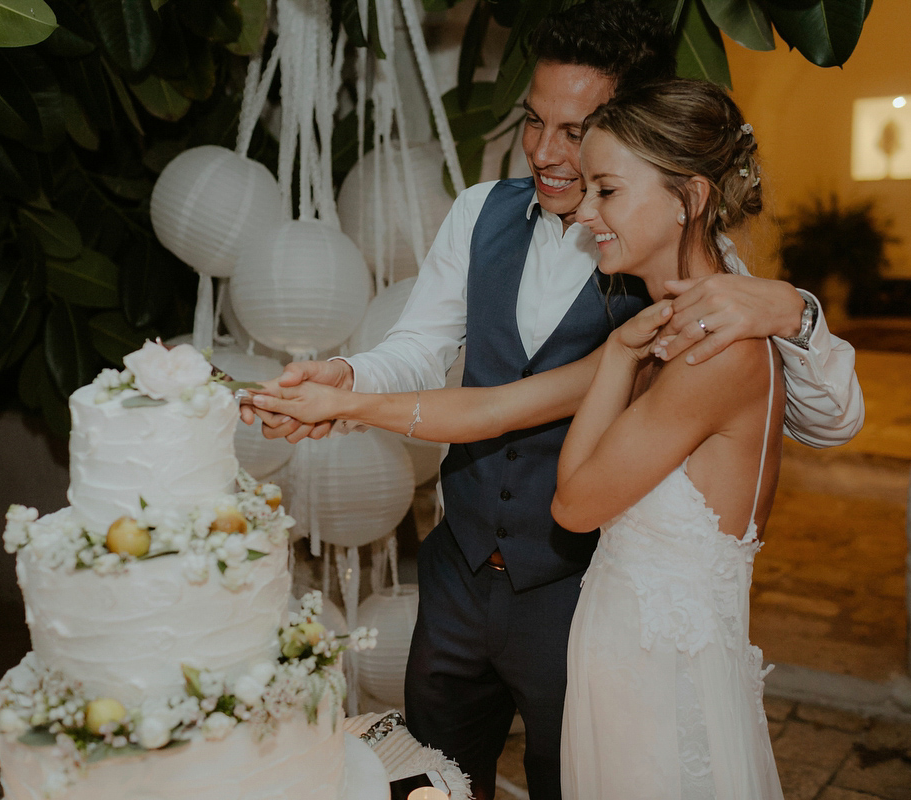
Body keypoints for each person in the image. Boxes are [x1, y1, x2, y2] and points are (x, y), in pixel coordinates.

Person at [245, 4, 862, 797]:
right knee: (427, 777)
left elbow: (819, 419)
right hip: (460, 571)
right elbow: (433, 358)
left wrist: (796, 311)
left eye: (575, 134)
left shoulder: (700, 293)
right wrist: (350, 382)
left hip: (579, 596)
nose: (544, 150)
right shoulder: (484, 216)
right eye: (533, 121)